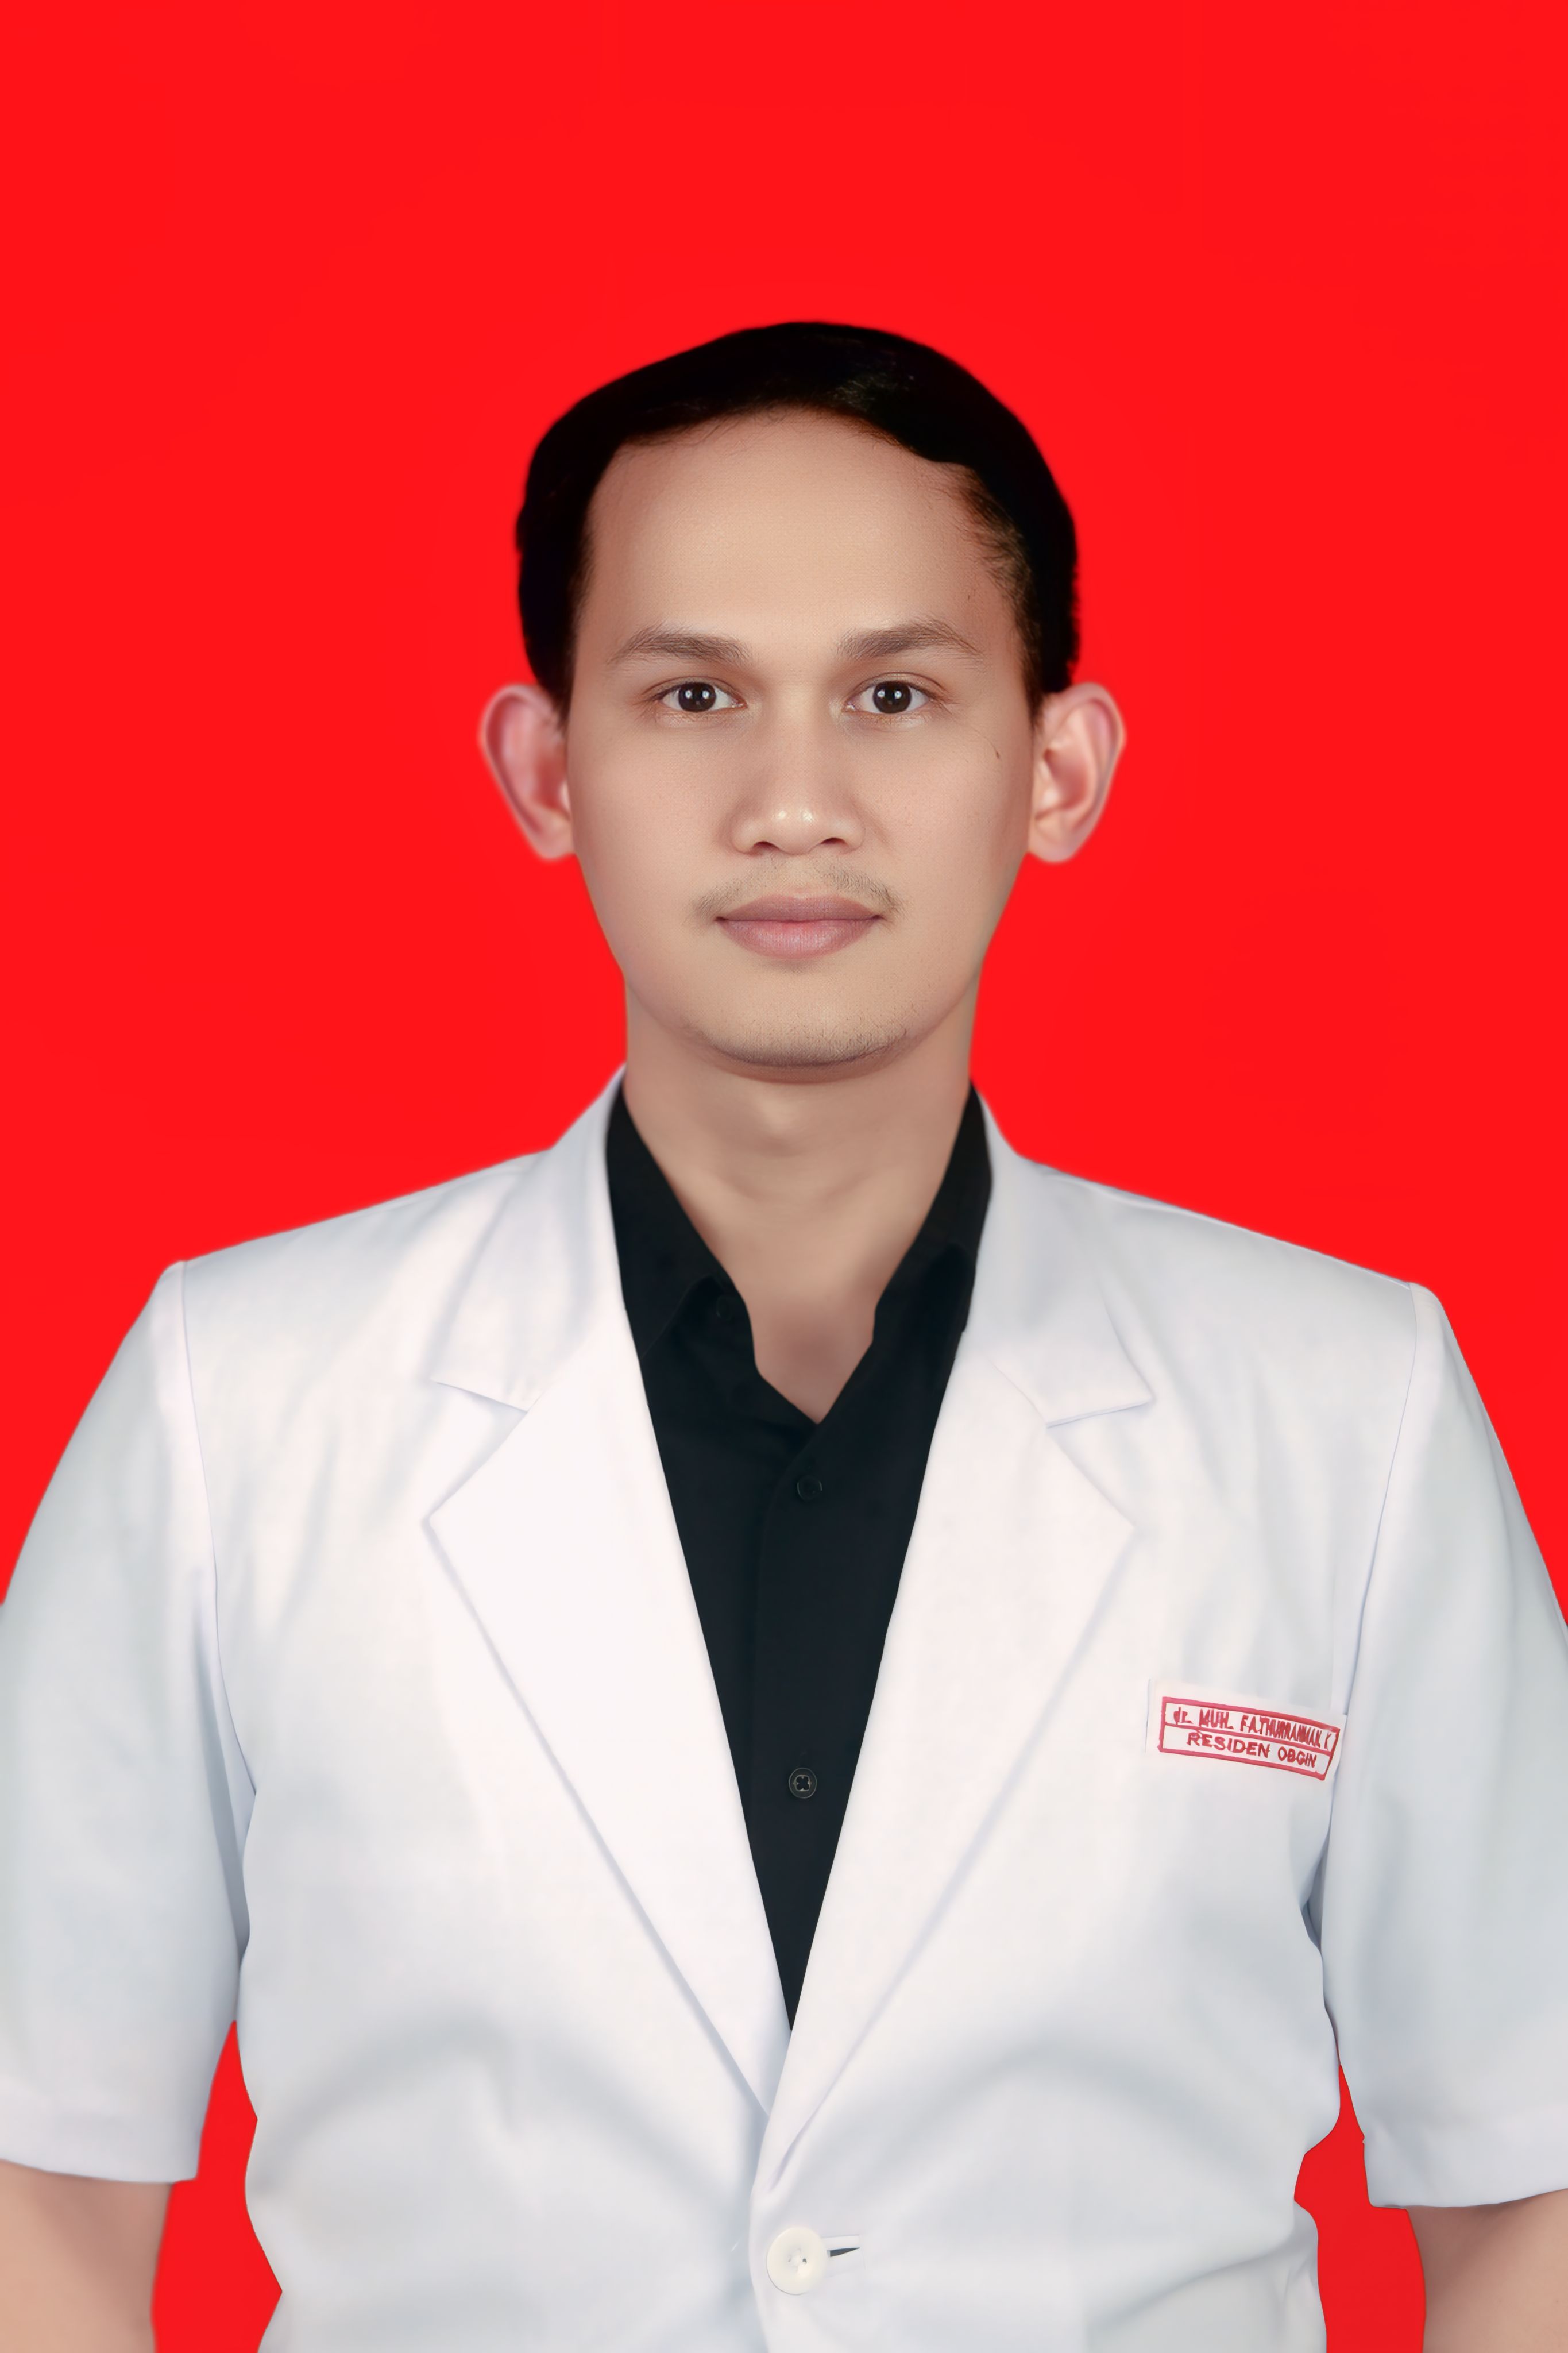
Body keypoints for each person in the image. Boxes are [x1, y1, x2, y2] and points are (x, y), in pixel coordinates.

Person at [1, 322, 1565, 2353]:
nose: (794, 803)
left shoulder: (1345, 1411)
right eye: (694, 695)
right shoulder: (239, 1399)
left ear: (1057, 768)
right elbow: (41, 2181)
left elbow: (1525, 2188)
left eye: (895, 696)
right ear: (546, 771)